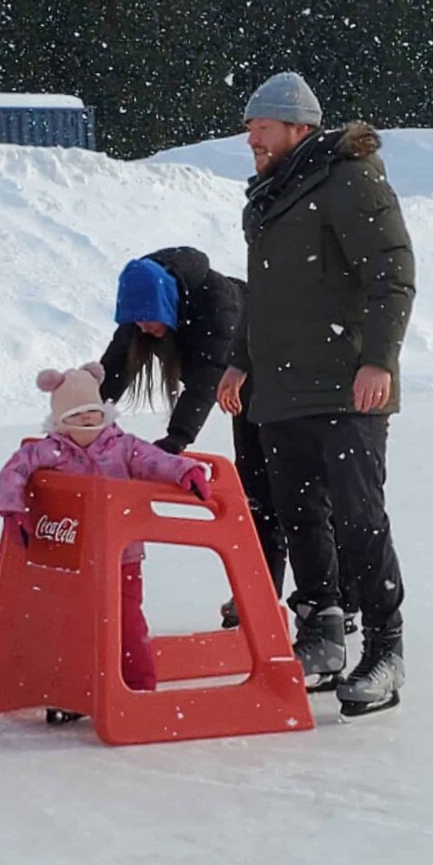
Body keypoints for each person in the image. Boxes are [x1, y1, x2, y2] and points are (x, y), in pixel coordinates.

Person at [217, 72, 415, 716]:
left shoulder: (347, 178)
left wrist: (378, 360)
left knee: (359, 518)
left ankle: (385, 648)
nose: (251, 137)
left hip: (345, 385)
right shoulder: (271, 195)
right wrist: (239, 361)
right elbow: (265, 295)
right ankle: (321, 632)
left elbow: (392, 273)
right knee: (298, 516)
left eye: (261, 126)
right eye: (249, 127)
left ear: (297, 127)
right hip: (281, 392)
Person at [0, 361, 210, 725]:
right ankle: (76, 690)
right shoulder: (50, 451)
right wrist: (13, 510)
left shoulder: (123, 446)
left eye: (94, 414)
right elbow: (13, 470)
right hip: (73, 560)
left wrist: (184, 470)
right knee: (74, 626)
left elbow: (155, 460)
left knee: (127, 623)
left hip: (122, 558)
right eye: (78, 417)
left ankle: (139, 688)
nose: (88, 425)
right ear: (62, 421)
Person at [99, 247, 287, 622]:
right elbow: (114, 369)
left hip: (271, 374)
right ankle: (260, 593)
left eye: (149, 321)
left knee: (271, 488)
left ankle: (313, 597)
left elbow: (206, 379)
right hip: (232, 384)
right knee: (255, 491)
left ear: (168, 303)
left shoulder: (218, 305)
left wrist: (175, 441)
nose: (144, 329)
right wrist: (84, 419)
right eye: (135, 322)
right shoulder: (146, 298)